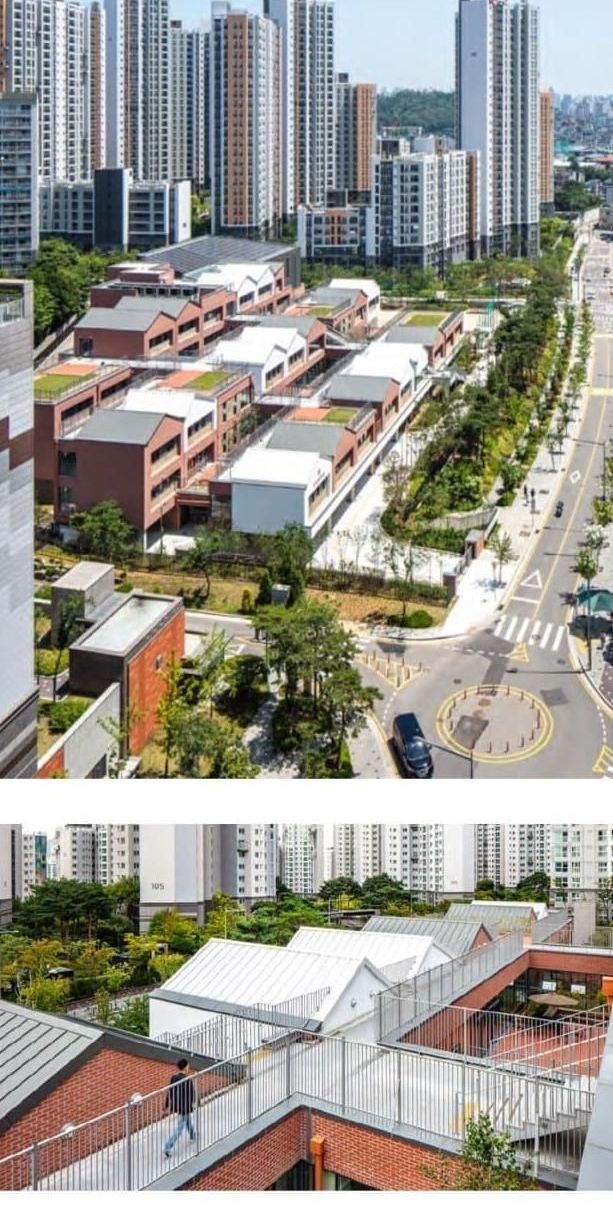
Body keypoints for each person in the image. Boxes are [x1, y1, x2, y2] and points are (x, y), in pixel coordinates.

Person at [163, 1058, 197, 1159]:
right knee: (180, 1128)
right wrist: (194, 1103)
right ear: (185, 1067)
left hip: (177, 1105)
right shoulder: (187, 1080)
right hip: (185, 1106)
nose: (189, 1067)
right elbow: (192, 1094)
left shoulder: (174, 1077)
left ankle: (193, 1135)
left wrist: (167, 1104)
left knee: (188, 1121)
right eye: (188, 1066)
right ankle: (167, 1146)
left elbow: (170, 1091)